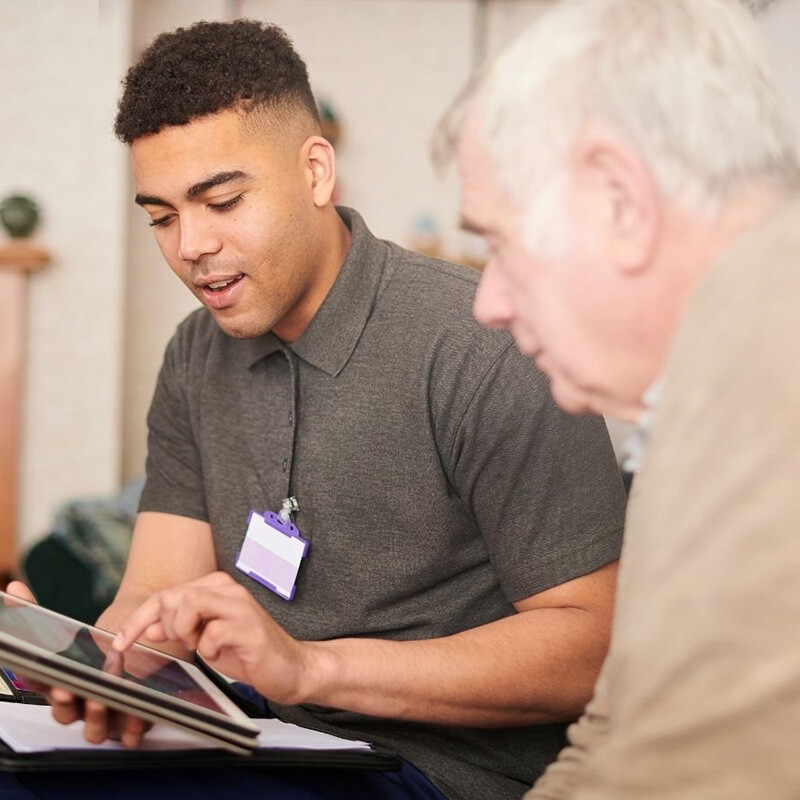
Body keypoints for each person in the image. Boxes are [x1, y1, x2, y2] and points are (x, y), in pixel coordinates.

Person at [6, 19, 627, 800]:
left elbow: (593, 648)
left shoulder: (486, 343)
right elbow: (154, 591)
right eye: (161, 217)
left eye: (222, 200)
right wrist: (98, 659)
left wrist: (313, 668)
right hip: (256, 731)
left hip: (434, 770)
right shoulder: (196, 356)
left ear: (316, 172)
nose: (190, 245)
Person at [440, 0, 800, 797]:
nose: (487, 303)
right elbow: (619, 726)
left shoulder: (768, 352)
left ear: (620, 200)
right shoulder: (704, 371)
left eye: (498, 243)